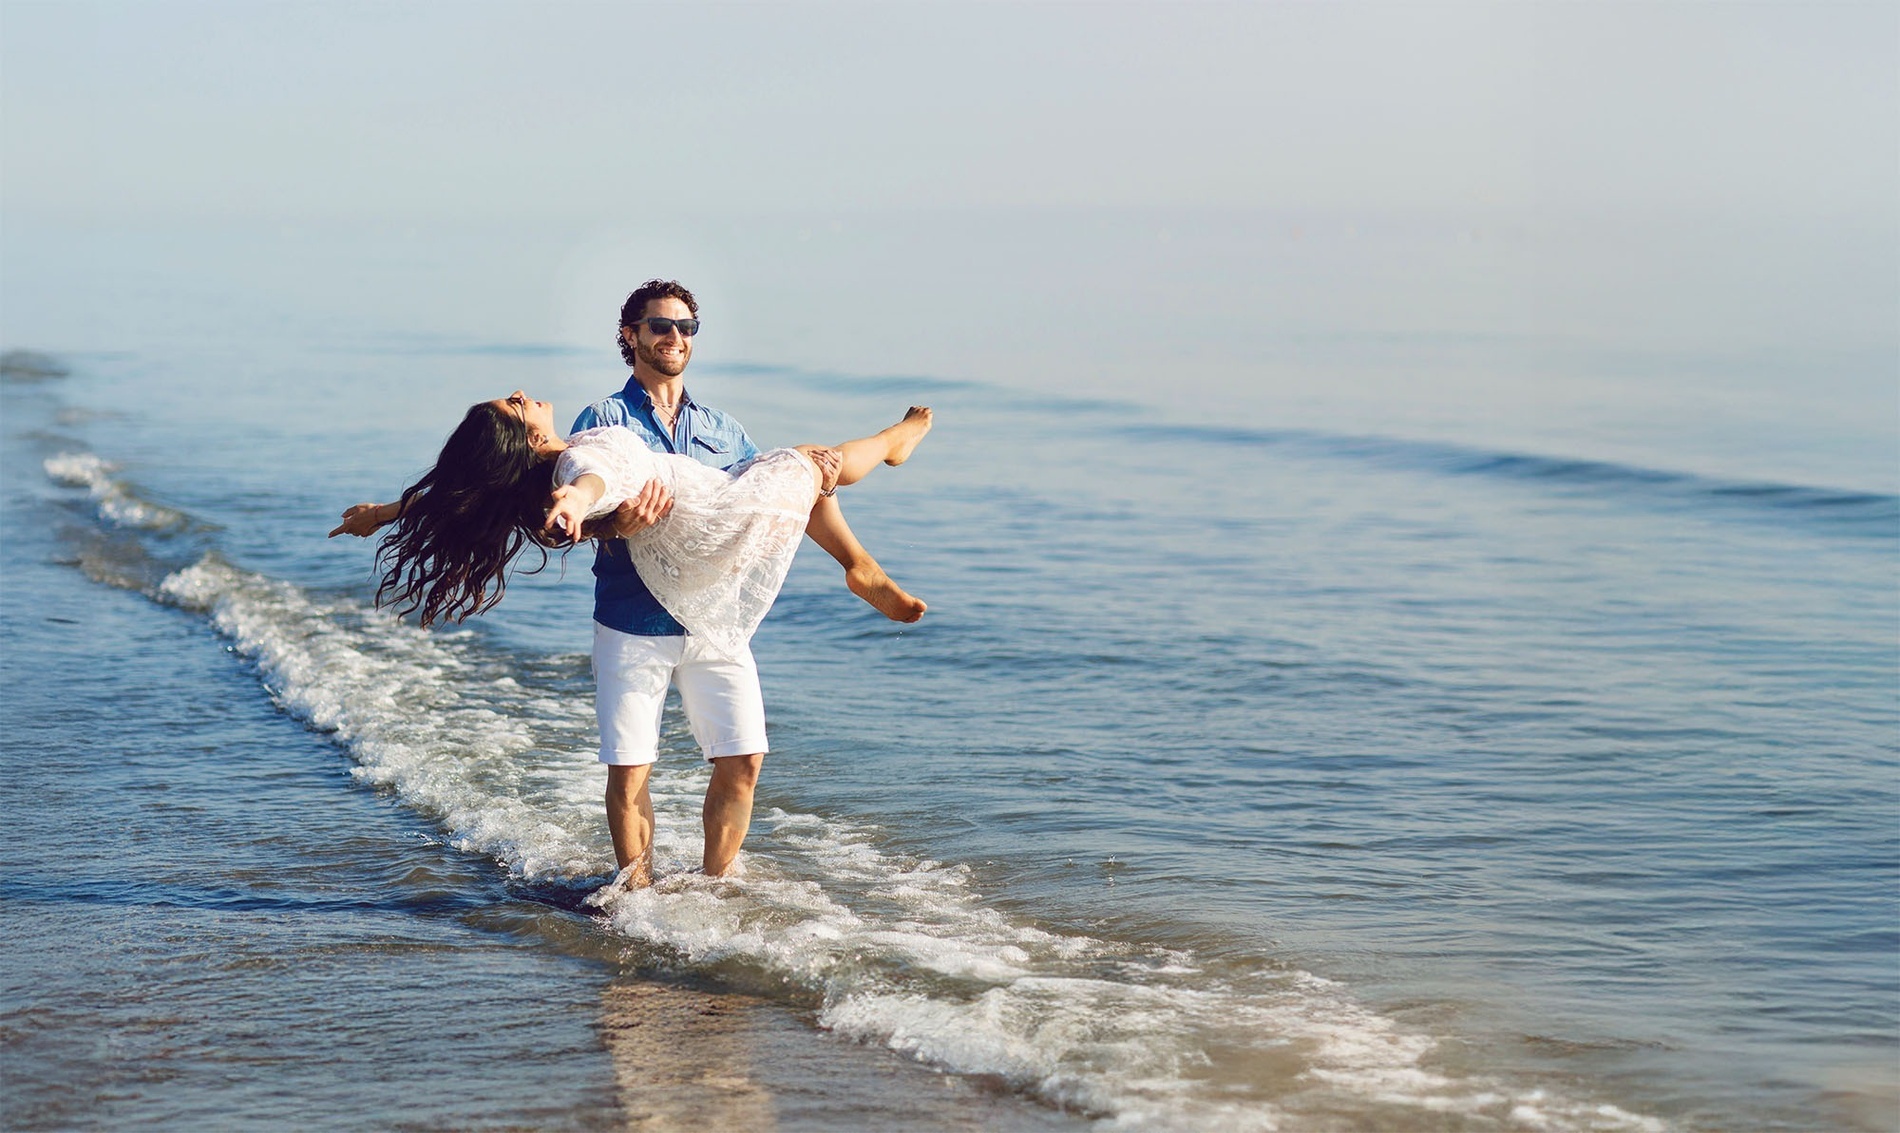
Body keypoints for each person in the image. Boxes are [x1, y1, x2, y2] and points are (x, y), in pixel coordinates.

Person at [330, 278, 928, 893]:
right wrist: (593, 515)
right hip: (634, 618)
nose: (675, 337)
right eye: (661, 326)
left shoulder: (720, 427)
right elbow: (581, 480)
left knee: (744, 758)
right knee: (631, 771)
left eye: (686, 327)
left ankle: (714, 889)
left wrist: (385, 511)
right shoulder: (602, 422)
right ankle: (637, 897)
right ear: (631, 335)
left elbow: (490, 481)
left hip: (714, 615)